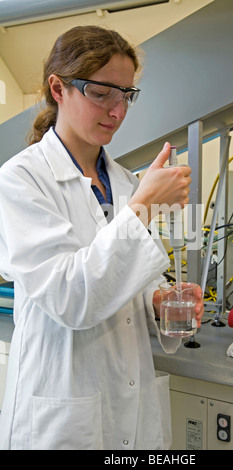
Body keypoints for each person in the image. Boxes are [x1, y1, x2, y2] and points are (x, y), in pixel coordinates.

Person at [0, 25, 204, 450]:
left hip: (126, 401)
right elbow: (71, 298)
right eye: (101, 92)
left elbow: (129, 278)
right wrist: (145, 207)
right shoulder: (21, 180)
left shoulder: (126, 182)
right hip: (62, 409)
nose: (117, 110)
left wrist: (159, 301)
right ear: (59, 88)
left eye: (126, 94)